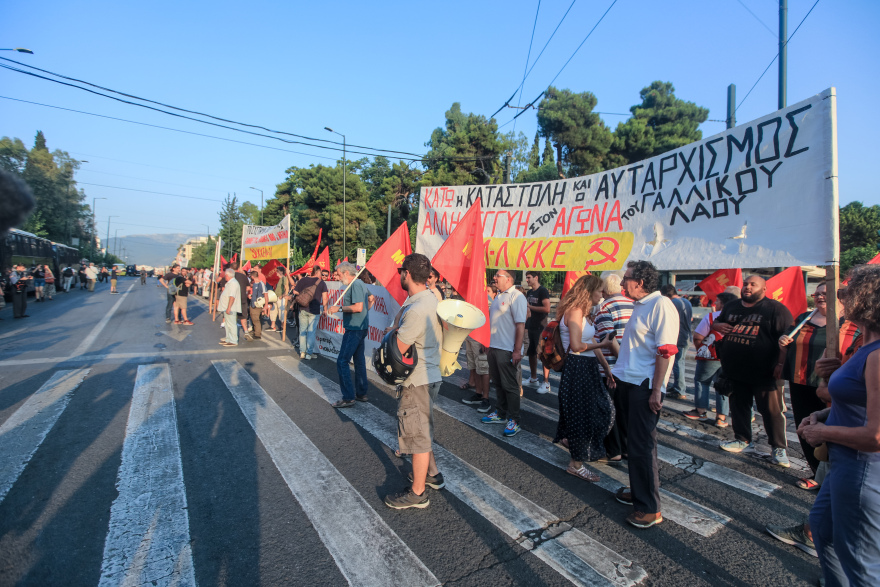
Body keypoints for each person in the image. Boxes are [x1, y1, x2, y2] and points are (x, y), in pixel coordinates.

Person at [795, 264, 880, 586]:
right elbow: (851, 400)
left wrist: (822, 432)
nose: (840, 295)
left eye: (849, 290)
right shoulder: (864, 346)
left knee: (861, 562)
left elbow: (875, 435)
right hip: (844, 467)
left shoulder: (878, 354)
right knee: (824, 532)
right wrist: (821, 413)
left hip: (863, 471)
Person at [611, 260, 679, 529]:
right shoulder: (641, 305)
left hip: (644, 386)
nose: (621, 283)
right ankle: (638, 492)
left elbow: (665, 351)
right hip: (628, 381)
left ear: (639, 282)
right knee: (633, 446)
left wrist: (656, 390)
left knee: (642, 447)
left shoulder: (661, 305)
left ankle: (650, 509)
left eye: (625, 278)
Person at [383, 253, 445, 510]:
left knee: (417, 434)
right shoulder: (429, 298)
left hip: (417, 379)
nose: (399, 275)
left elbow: (398, 348)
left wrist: (391, 331)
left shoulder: (417, 309)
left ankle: (418, 493)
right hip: (430, 374)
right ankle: (432, 475)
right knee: (424, 426)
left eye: (401, 271)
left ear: (407, 274)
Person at [715, 275, 794, 467]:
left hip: (765, 372)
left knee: (772, 411)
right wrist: (717, 325)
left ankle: (778, 448)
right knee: (738, 407)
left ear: (764, 289)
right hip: (735, 370)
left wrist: (781, 365)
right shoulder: (731, 306)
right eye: (746, 284)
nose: (748, 287)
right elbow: (717, 322)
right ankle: (742, 439)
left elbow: (788, 340)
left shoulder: (776, 309)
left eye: (753, 285)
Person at [779, 281, 845, 489]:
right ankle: (816, 472)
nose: (819, 297)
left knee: (831, 429)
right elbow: (789, 344)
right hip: (800, 380)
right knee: (805, 427)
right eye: (816, 294)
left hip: (831, 386)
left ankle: (833, 475)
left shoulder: (846, 322)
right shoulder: (803, 319)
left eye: (825, 293)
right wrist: (783, 344)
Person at [553, 274, 616, 482]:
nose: (603, 294)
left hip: (588, 367)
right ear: (589, 292)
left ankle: (573, 442)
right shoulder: (575, 311)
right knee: (583, 415)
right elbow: (579, 346)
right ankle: (576, 464)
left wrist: (607, 369)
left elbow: (591, 341)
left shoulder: (586, 313)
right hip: (578, 367)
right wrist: (605, 345)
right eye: (600, 290)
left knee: (603, 410)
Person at [480, 269, 527, 437]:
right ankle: (500, 413)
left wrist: (516, 350)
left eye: (497, 276)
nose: (494, 278)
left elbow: (520, 325)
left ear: (508, 279)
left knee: (510, 386)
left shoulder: (517, 296)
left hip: (507, 349)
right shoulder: (498, 296)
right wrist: (487, 342)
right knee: (498, 384)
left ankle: (514, 420)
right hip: (494, 347)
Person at [684, 289, 740, 427]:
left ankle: (701, 411)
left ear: (723, 304)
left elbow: (698, 337)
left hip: (711, 357)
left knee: (702, 381)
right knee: (724, 386)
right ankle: (721, 417)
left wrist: (702, 350)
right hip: (731, 358)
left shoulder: (711, 317)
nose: (715, 304)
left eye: (718, 301)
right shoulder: (740, 318)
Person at [594, 272, 634, 464]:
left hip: (612, 367)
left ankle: (613, 451)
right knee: (624, 410)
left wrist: (622, 359)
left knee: (609, 410)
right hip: (631, 367)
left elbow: (608, 340)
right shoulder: (634, 305)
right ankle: (626, 448)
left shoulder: (604, 308)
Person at [328, 262, 370, 408]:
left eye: (339, 274)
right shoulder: (359, 283)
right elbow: (371, 300)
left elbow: (359, 307)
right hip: (359, 327)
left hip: (355, 328)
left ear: (346, 273)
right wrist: (364, 315)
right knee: (358, 361)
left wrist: (338, 308)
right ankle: (361, 393)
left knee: (342, 361)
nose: (338, 277)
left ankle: (348, 397)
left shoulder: (356, 284)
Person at [660, 284, 693, 400]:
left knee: (677, 363)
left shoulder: (672, 303)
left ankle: (680, 389)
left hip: (678, 336)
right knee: (680, 362)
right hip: (687, 335)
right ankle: (677, 386)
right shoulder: (687, 302)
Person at [293, 265, 328, 359]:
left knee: (302, 331)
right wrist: (325, 310)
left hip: (303, 308)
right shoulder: (321, 283)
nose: (321, 275)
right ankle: (309, 353)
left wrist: (303, 294)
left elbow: (295, 291)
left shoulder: (303, 280)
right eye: (321, 273)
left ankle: (302, 352)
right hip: (315, 310)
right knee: (311, 332)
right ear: (317, 273)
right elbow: (325, 298)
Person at [525, 271, 552, 394]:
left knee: (542, 355)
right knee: (531, 353)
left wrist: (530, 307)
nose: (527, 280)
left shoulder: (542, 291)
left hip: (540, 327)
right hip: (531, 326)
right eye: (526, 278)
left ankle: (546, 383)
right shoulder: (530, 292)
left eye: (529, 277)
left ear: (536, 278)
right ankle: (533, 378)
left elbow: (547, 308)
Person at [218, 268, 241, 347]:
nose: (224, 276)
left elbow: (232, 297)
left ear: (227, 275)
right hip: (226, 307)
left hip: (231, 307)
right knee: (227, 324)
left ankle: (233, 340)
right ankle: (228, 338)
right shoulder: (230, 283)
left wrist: (229, 307)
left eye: (225, 275)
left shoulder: (233, 283)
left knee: (231, 324)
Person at [246, 269, 266, 340]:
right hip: (253, 303)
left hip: (258, 304)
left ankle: (257, 334)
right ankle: (255, 331)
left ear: (252, 276)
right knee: (253, 318)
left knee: (256, 319)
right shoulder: (254, 284)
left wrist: (265, 306)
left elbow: (265, 294)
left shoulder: (261, 284)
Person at [268, 266, 289, 332]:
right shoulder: (280, 279)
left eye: (277, 271)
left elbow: (287, 288)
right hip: (276, 297)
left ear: (281, 272)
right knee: (273, 311)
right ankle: (273, 326)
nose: (276, 272)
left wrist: (283, 295)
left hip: (280, 298)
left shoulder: (284, 278)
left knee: (281, 312)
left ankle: (283, 327)